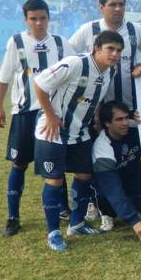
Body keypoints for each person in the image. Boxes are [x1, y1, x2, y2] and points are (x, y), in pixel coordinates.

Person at [33, 30, 124, 251]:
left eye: (119, 50)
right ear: (96, 49)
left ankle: (77, 223)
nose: (115, 54)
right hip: (53, 131)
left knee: (84, 175)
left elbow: (94, 99)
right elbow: (40, 83)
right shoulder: (76, 63)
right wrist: (51, 115)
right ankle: (53, 232)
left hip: (81, 132)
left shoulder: (110, 72)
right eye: (110, 49)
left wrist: (96, 120)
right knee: (54, 180)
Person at [0, 0, 75, 236]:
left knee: (55, 163)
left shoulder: (61, 43)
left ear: (49, 18)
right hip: (25, 113)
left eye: (43, 18)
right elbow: (4, 77)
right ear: (25, 19)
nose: (39, 23)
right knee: (19, 163)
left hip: (52, 115)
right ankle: (13, 217)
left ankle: (63, 209)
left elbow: (75, 69)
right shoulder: (16, 42)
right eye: (33, 19)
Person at [68, 0, 141, 111]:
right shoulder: (88, 29)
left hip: (129, 107)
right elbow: (68, 53)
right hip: (94, 108)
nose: (118, 9)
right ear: (101, 7)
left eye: (121, 4)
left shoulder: (137, 30)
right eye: (112, 5)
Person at [92, 101, 141, 243]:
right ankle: (105, 213)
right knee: (106, 193)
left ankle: (138, 207)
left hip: (132, 181)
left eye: (126, 118)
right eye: (119, 119)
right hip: (109, 188)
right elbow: (112, 188)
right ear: (107, 123)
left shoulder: (135, 129)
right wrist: (134, 221)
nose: (125, 123)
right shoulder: (102, 147)